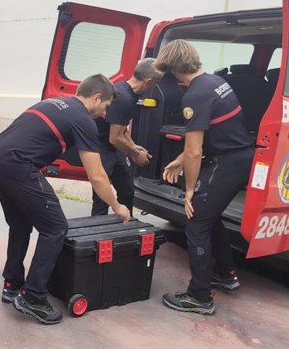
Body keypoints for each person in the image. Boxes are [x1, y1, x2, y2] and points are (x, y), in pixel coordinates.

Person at [0, 74, 131, 325]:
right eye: (105, 107)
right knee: (55, 228)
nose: (105, 114)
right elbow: (96, 176)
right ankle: (33, 297)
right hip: (19, 166)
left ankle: (12, 283)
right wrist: (117, 206)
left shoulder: (54, 103)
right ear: (96, 97)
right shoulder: (83, 119)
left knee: (20, 224)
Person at [156, 40, 253, 315]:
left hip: (227, 162)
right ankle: (226, 273)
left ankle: (199, 297)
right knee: (210, 216)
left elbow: (195, 149)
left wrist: (189, 191)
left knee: (196, 218)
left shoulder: (194, 96)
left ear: (174, 69)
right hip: (239, 156)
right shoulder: (214, 81)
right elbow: (205, 133)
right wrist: (179, 160)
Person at [91, 58, 163, 215]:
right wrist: (135, 154)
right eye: (157, 82)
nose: (156, 86)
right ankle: (98, 234)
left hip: (115, 149)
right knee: (102, 197)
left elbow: (122, 129)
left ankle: (125, 228)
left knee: (127, 191)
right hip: (102, 148)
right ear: (150, 81)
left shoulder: (131, 94)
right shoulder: (123, 97)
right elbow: (114, 138)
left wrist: (133, 145)